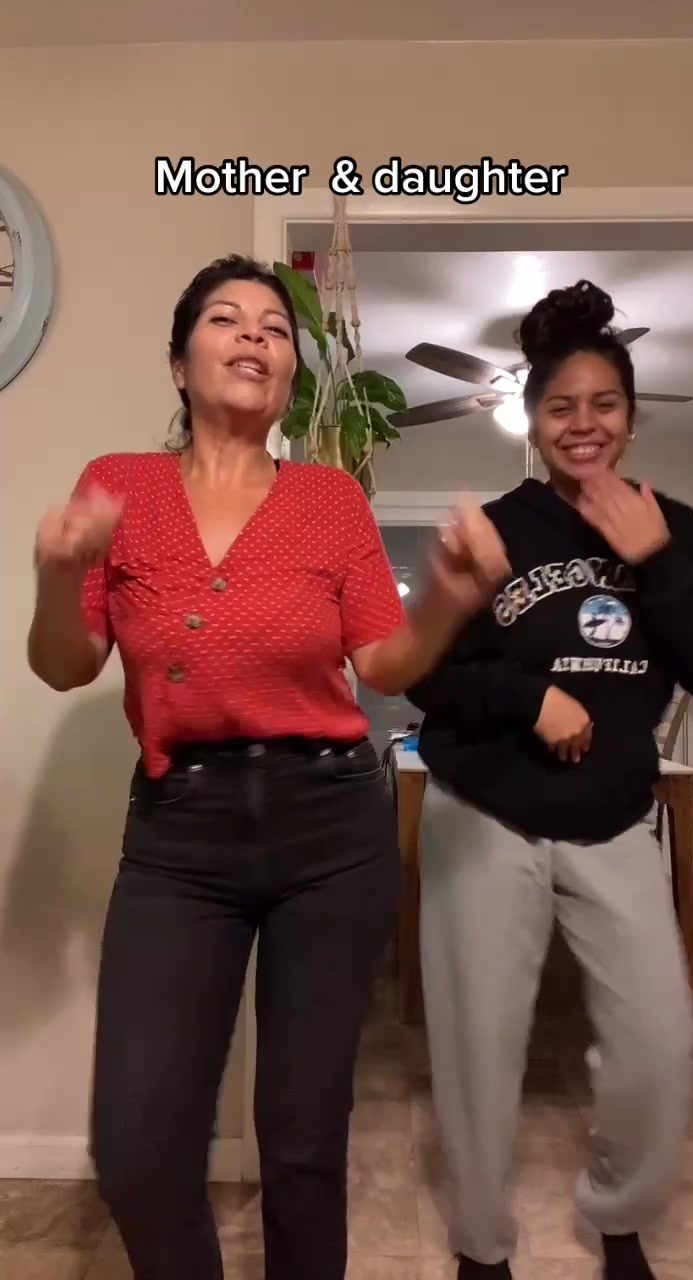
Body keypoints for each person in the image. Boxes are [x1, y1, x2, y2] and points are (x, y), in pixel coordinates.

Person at [26, 253, 510, 1280]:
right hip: (179, 834)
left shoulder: (330, 499)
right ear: (178, 362)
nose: (255, 333)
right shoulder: (119, 485)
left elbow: (385, 664)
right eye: (226, 317)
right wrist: (60, 572)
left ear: (290, 372)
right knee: (138, 1150)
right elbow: (66, 664)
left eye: (276, 327)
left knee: (301, 1141)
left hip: (330, 828)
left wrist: (450, 601)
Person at [406, 279, 693, 1280]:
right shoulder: (499, 528)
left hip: (613, 816)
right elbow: (427, 676)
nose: (583, 424)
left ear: (630, 416)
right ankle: (480, 1245)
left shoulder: (676, 527)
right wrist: (528, 696)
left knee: (660, 1039)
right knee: (478, 1046)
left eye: (604, 404)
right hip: (485, 809)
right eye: (560, 407)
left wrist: (657, 562)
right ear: (534, 421)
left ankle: (619, 1216)